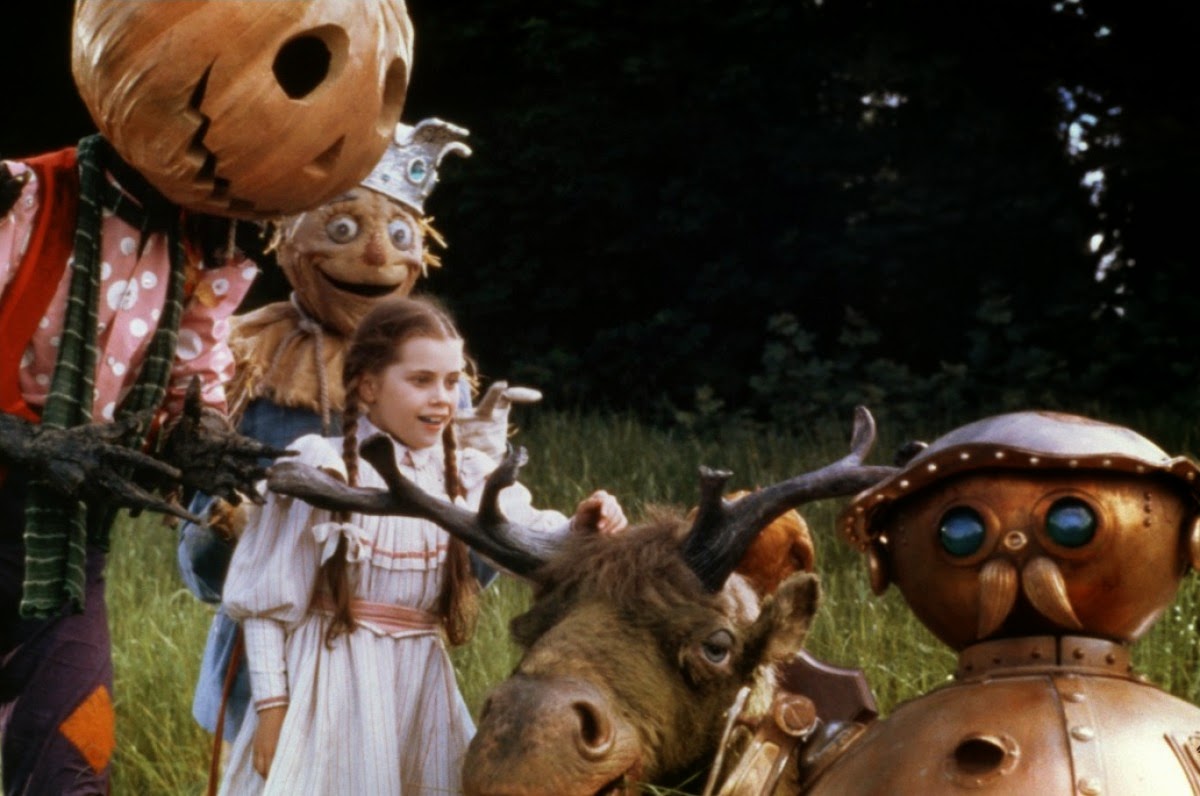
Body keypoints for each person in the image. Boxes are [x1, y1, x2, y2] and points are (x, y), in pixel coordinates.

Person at [217, 296, 626, 794]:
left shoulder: (464, 475)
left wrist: (583, 527)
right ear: (368, 385)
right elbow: (264, 603)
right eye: (421, 381)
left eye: (452, 382)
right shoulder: (323, 466)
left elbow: (530, 539)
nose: (442, 399)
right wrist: (271, 709)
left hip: (419, 691)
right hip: (331, 687)